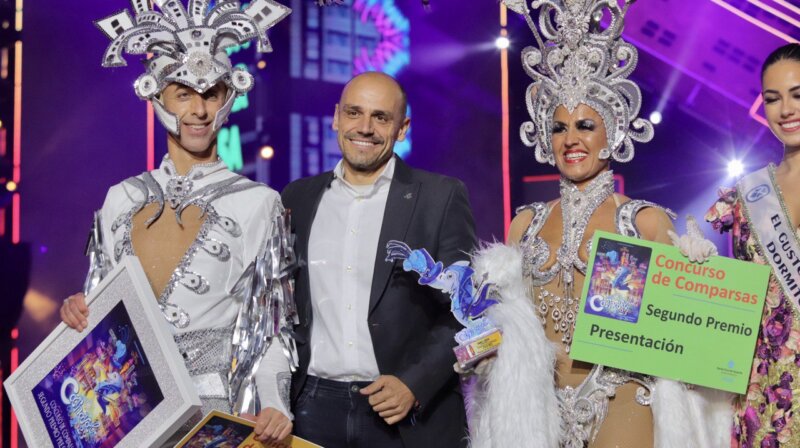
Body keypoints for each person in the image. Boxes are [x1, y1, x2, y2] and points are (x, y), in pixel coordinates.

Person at [483, 0, 733, 446]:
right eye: (559, 128)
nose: (571, 140)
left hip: (620, 393)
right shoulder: (525, 224)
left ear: (613, 132)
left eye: (585, 125)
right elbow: (505, 324)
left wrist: (699, 265)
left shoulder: (643, 222)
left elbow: (691, 322)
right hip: (538, 407)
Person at [58, 0, 295, 443]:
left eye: (211, 94)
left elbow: (271, 328)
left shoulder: (259, 203)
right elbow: (104, 310)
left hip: (209, 414)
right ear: (156, 95)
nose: (198, 110)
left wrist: (276, 405)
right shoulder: (120, 197)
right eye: (183, 92)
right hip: (124, 410)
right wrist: (80, 311)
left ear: (230, 96)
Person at [281, 71, 475, 448]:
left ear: (402, 128)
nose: (365, 128)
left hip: (404, 413)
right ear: (337, 118)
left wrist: (415, 383)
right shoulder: (297, 198)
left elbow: (466, 309)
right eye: (354, 113)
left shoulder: (440, 197)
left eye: (381, 117)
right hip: (311, 408)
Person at [706, 42, 800, 447]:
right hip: (766, 393)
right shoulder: (747, 197)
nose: (786, 111)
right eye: (774, 99)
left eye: (798, 95)